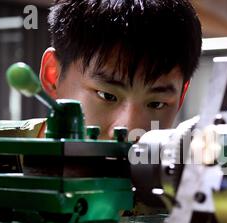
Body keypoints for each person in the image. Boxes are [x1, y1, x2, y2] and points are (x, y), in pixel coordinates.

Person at [39, 0, 202, 140]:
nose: (131, 130)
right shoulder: (13, 158)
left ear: (181, 96)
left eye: (156, 104)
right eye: (107, 96)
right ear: (53, 75)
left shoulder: (192, 171)